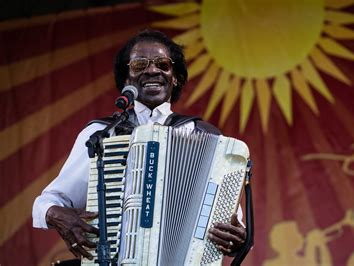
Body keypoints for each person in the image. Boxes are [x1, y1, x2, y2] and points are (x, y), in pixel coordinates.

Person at [32, 29, 246, 260]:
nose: (152, 70)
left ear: (176, 77)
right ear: (127, 79)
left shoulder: (206, 136)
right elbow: (47, 202)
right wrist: (57, 215)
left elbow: (233, 227)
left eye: (162, 64)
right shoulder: (102, 134)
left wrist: (236, 239)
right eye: (139, 65)